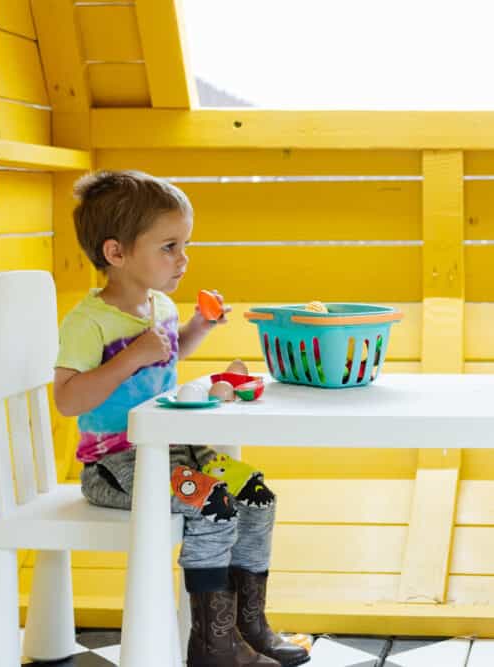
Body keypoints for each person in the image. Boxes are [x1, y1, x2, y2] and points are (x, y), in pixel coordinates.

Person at [53, 170, 309, 667]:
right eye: (169, 246)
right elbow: (67, 400)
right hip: (118, 466)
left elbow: (167, 357)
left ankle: (246, 624)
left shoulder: (161, 306)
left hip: (174, 453)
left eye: (185, 244)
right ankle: (213, 645)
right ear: (116, 254)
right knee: (215, 503)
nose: (183, 258)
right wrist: (129, 357)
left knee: (255, 494)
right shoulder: (89, 322)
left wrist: (197, 328)